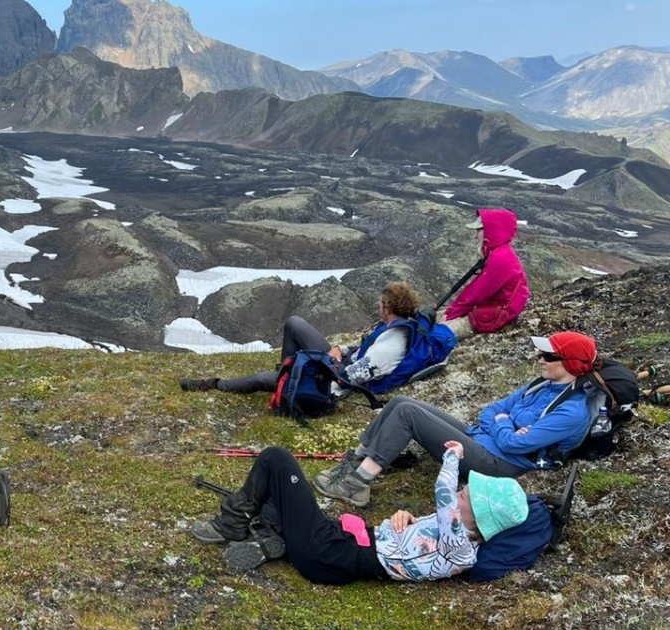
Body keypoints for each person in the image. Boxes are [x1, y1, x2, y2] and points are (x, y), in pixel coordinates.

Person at [313, 331, 596, 508]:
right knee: (402, 402)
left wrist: (502, 421)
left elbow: (512, 445)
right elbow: (492, 409)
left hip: (496, 465)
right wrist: (504, 421)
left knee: (407, 414)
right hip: (479, 440)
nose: (541, 360)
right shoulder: (543, 384)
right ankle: (358, 458)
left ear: (571, 364)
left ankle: (357, 484)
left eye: (549, 355)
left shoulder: (571, 412)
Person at [190, 441, 529, 583]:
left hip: (333, 551)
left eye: (466, 495)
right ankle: (271, 541)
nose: (458, 493)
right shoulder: (456, 541)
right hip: (338, 547)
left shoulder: (461, 548)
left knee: (276, 459)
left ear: (480, 516)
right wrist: (403, 518)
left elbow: (443, 495)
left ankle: (232, 524)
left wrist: (453, 455)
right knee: (279, 496)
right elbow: (420, 538)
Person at [180, 282, 434, 396]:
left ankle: (216, 385)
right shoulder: (391, 329)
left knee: (258, 379)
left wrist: (325, 362)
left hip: (331, 383)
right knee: (295, 323)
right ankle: (284, 377)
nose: (378, 306)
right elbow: (362, 350)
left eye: (381, 303)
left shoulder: (393, 342)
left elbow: (352, 378)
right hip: (337, 366)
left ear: (388, 307)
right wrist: (339, 348)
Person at [439, 208, 530, 339]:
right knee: (435, 318)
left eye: (479, 230)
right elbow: (476, 291)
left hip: (496, 313)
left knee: (439, 334)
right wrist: (451, 311)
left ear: (492, 230)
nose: (476, 235)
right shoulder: (499, 252)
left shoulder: (501, 258)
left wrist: (451, 314)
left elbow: (476, 293)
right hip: (491, 307)